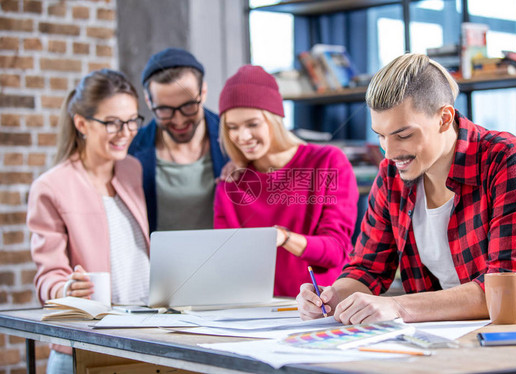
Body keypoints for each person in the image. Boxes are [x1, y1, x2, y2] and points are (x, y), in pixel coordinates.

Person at [297, 53, 516, 323]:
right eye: (381, 136)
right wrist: (331, 298)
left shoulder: (512, 160)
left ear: (444, 118)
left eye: (403, 135)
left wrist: (398, 307)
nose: (389, 153)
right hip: (447, 334)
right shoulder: (392, 175)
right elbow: (367, 269)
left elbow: (507, 290)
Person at [27, 69, 150, 374]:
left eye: (133, 120)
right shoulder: (51, 186)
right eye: (112, 123)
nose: (126, 132)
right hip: (83, 350)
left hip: (138, 338)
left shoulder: (132, 170)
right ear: (81, 123)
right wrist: (66, 289)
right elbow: (48, 278)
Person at [214, 65, 359, 297]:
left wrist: (284, 238)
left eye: (252, 124)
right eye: (232, 127)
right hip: (254, 311)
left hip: (321, 307)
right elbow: (225, 263)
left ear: (275, 119)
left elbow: (336, 251)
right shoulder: (230, 184)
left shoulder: (329, 162)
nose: (242, 136)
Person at [128, 48, 228, 232]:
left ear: (203, 92)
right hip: (156, 261)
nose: (179, 120)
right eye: (165, 110)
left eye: (188, 106)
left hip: (225, 258)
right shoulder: (132, 149)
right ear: (149, 101)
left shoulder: (233, 139)